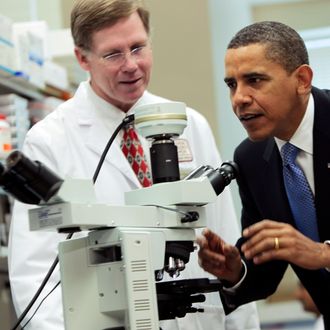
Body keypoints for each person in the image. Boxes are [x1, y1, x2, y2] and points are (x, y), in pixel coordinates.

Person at [7, 0, 260, 329]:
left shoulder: (189, 124)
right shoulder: (50, 140)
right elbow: (35, 275)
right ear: (83, 58)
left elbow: (225, 240)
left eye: (138, 47)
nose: (131, 65)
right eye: (113, 54)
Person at [197, 20, 330, 330]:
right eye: (232, 84)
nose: (239, 98)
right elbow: (264, 273)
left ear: (302, 79)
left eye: (254, 80)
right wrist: (235, 270)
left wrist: (322, 254)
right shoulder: (252, 158)